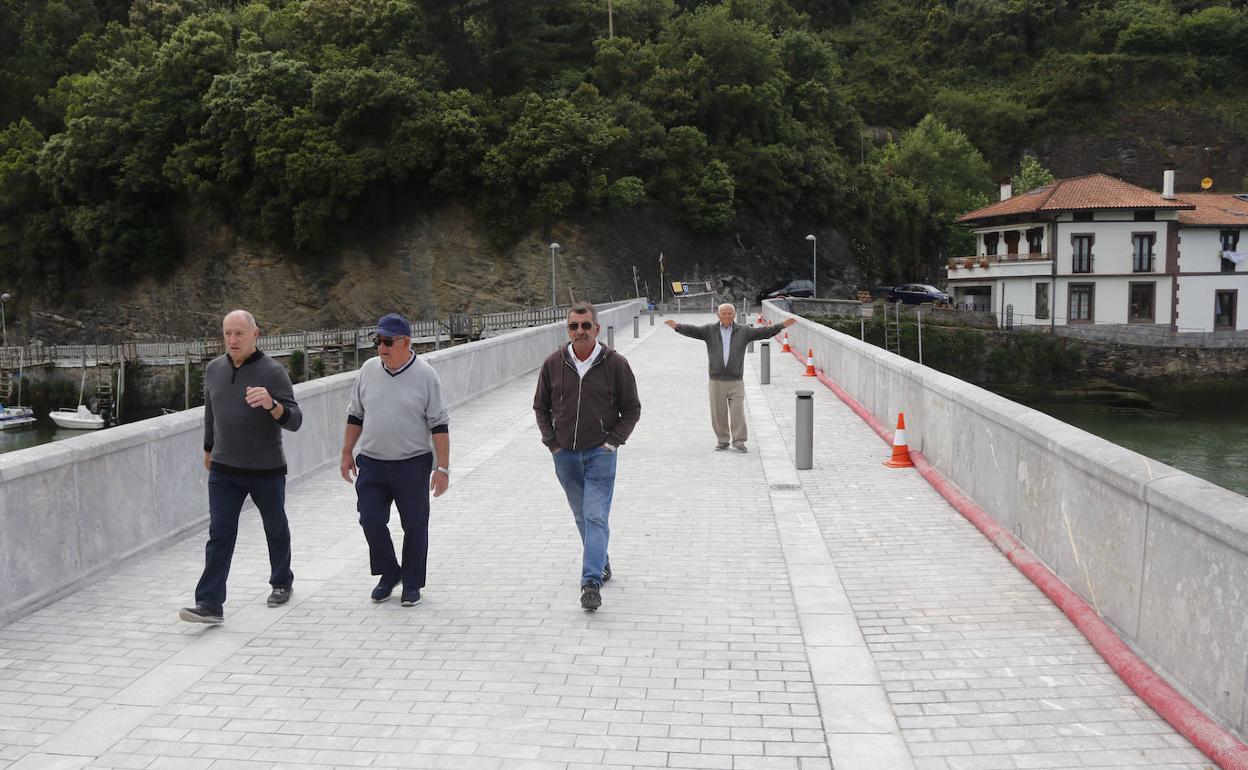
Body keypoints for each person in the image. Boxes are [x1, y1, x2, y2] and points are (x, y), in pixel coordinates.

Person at [180, 310, 302, 625]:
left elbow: (296, 420)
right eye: (227, 333)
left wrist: (272, 405)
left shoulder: (273, 372)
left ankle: (281, 581)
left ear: (255, 335)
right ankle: (209, 603)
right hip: (224, 469)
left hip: (266, 469)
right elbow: (211, 412)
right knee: (219, 533)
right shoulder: (213, 370)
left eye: (239, 334)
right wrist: (208, 447)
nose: (232, 340)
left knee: (275, 528)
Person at [534, 302, 641, 611]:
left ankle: (591, 582)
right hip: (564, 455)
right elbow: (540, 406)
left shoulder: (615, 364)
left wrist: (612, 443)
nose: (579, 331)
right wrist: (552, 443)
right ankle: (602, 560)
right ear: (567, 330)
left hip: (600, 454)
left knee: (595, 515)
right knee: (582, 516)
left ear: (596, 328)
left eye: (585, 326)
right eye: (573, 326)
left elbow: (631, 409)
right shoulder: (554, 363)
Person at [341, 313, 450, 607]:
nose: (382, 347)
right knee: (370, 520)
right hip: (372, 463)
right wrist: (346, 452)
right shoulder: (367, 370)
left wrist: (442, 468)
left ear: (406, 343)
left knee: (414, 525)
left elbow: (439, 424)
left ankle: (412, 583)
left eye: (388, 341)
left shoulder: (426, 375)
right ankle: (390, 573)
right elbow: (356, 414)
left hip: (412, 463)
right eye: (378, 341)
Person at [666, 304, 795, 452]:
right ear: (718, 315)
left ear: (734, 315)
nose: (727, 316)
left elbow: (764, 332)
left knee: (737, 412)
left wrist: (782, 325)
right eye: (724, 313)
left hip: (736, 381)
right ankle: (722, 440)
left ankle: (739, 441)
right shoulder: (709, 330)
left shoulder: (744, 331)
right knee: (718, 413)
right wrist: (677, 326)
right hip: (716, 381)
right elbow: (693, 330)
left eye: (729, 313)